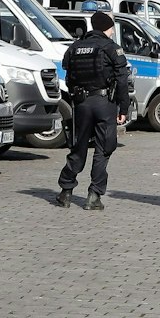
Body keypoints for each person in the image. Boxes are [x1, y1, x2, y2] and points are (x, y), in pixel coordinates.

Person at [54, 11, 134, 211]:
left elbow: (69, 77)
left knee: (78, 146)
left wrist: (76, 96)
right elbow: (122, 80)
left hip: (82, 103)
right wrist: (123, 108)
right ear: (108, 28)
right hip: (105, 103)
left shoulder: (75, 47)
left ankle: (66, 190)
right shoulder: (111, 48)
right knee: (103, 149)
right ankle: (94, 195)